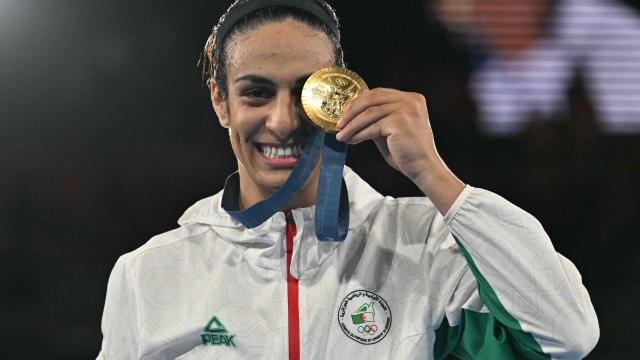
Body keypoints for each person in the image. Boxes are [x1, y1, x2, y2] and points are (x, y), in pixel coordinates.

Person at [97, 0, 599, 358]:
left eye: (304, 93)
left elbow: (566, 335)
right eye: (255, 93)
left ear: (337, 95)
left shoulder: (427, 243)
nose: (283, 121)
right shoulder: (149, 273)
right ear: (219, 102)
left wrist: (433, 174)